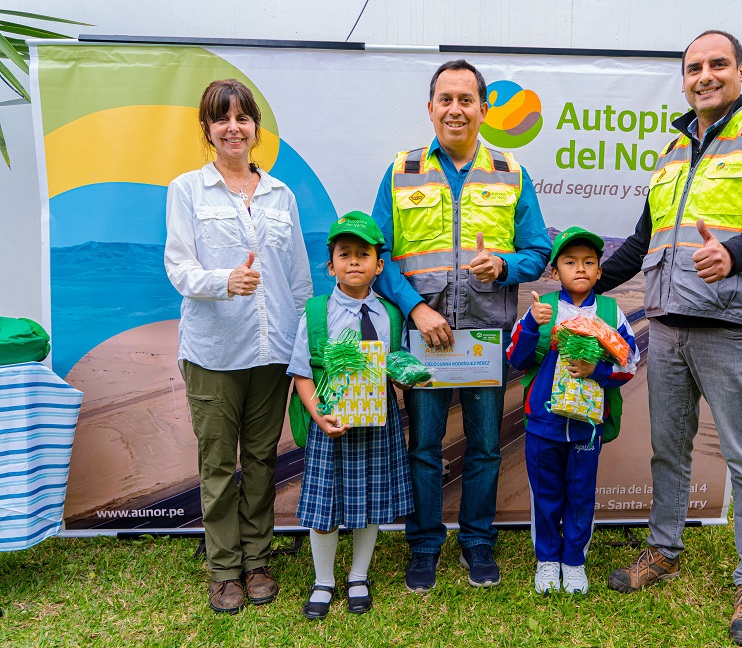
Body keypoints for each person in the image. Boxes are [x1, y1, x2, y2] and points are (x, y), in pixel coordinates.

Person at [596, 31, 742, 646]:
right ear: (684, 80)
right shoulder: (672, 150)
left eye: (718, 64)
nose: (705, 75)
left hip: (733, 325)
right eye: (694, 68)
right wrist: (579, 278)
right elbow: (643, 242)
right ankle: (664, 550)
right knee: (669, 449)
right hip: (667, 325)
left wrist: (735, 253)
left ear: (741, 72)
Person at [372, 59, 552, 591]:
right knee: (424, 447)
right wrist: (415, 308)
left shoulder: (511, 172)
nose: (455, 109)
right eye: (445, 100)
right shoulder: (402, 170)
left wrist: (503, 266)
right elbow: (376, 254)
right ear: (431, 109)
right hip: (423, 338)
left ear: (484, 108)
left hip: (484, 338)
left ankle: (477, 542)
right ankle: (424, 545)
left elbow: (539, 251)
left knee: (484, 448)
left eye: (465, 100)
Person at [164, 79, 312, 614]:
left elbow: (298, 278)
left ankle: (258, 561)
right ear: (207, 128)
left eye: (242, 118)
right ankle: (224, 569)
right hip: (213, 352)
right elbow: (178, 267)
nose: (233, 128)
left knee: (262, 460)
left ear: (254, 127)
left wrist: (304, 344)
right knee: (219, 465)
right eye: (221, 119)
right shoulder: (187, 190)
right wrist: (224, 281)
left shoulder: (280, 195)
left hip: (272, 352)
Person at [288, 211, 413, 619]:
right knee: (325, 506)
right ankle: (324, 580)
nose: (354, 261)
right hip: (332, 423)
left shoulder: (391, 315)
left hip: (379, 423)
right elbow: (302, 373)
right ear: (331, 266)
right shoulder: (316, 312)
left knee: (370, 503)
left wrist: (410, 377)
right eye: (345, 254)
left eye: (364, 254)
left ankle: (359, 576)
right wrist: (319, 416)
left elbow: (396, 365)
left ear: (380, 265)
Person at [506, 227, 638, 595]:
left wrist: (595, 370)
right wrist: (531, 324)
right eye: (570, 262)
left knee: (580, 495)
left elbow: (630, 363)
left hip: (586, 428)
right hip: (544, 424)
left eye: (589, 262)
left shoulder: (610, 312)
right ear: (554, 272)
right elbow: (515, 358)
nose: (580, 268)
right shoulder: (543, 308)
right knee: (545, 494)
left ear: (599, 272)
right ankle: (547, 561)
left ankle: (574, 562)